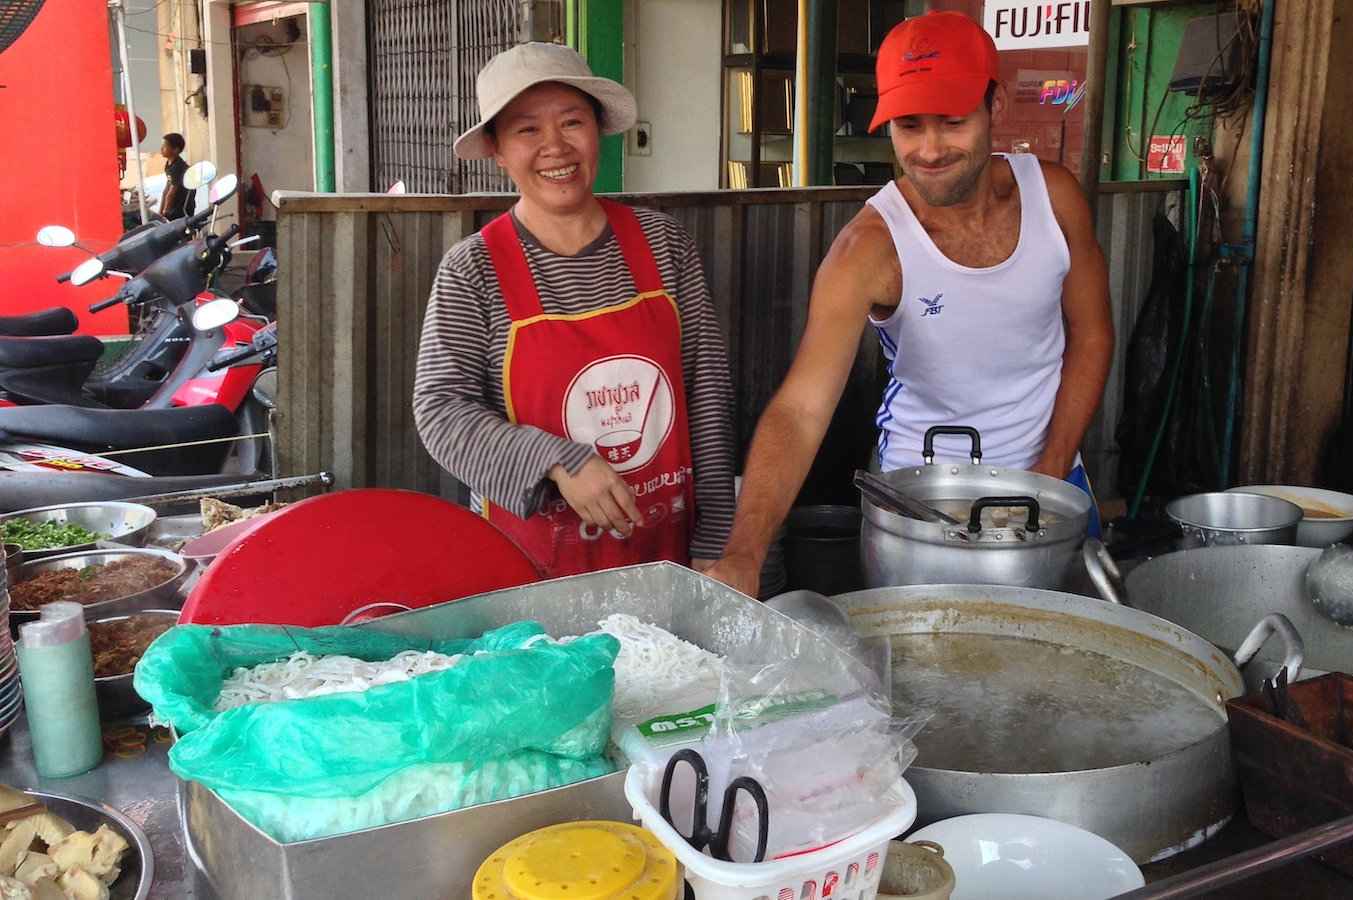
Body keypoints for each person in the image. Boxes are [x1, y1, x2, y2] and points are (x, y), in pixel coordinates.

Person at [706, 12, 1114, 596]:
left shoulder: (1055, 198)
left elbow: (1092, 333)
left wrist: (1048, 475)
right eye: (908, 126)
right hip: (919, 503)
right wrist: (744, 554)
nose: (929, 150)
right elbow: (800, 410)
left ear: (994, 107)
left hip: (1052, 482)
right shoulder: (868, 249)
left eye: (951, 123)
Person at [413, 42, 736, 579]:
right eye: (527, 130)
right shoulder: (473, 269)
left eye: (571, 122)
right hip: (533, 573)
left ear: (598, 129)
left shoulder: (663, 243)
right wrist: (558, 460)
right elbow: (441, 411)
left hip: (670, 557)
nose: (555, 147)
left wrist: (719, 536)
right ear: (497, 150)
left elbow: (707, 387)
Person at [158, 133, 195, 221]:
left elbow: (171, 193)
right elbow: (167, 189)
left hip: (181, 210)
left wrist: (165, 211)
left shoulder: (178, 167)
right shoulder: (169, 164)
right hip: (173, 207)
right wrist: (160, 211)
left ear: (176, 150)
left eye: (165, 146)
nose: (161, 149)